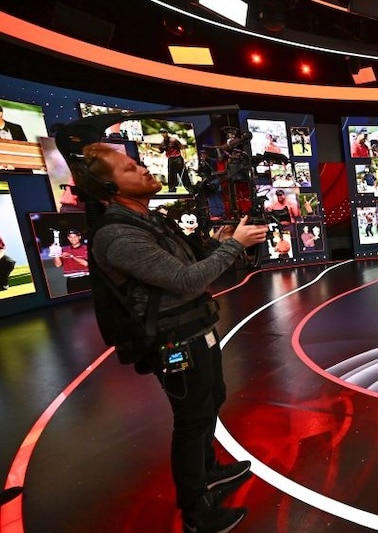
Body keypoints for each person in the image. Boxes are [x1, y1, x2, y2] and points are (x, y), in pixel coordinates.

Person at [73, 142, 269, 532]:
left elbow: (187, 264)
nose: (144, 169)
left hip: (196, 330)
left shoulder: (151, 222)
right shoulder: (118, 236)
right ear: (110, 188)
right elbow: (184, 280)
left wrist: (217, 242)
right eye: (130, 168)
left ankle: (209, 470)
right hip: (173, 340)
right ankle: (197, 512)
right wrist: (234, 246)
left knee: (212, 399)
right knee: (192, 420)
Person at [50, 228, 91, 293]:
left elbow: (86, 263)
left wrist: (71, 256)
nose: (73, 239)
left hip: (85, 279)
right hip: (71, 281)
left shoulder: (86, 248)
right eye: (70, 237)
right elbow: (58, 265)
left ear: (79, 237)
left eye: (75, 236)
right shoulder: (64, 249)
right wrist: (56, 254)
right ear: (68, 238)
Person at [158, 128, 193, 193]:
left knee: (183, 173)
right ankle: (172, 190)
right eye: (162, 133)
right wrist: (150, 148)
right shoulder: (162, 143)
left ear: (167, 132)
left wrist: (185, 158)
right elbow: (160, 151)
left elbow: (182, 148)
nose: (163, 134)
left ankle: (189, 188)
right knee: (171, 175)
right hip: (170, 159)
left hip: (178, 158)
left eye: (164, 132)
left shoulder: (173, 140)